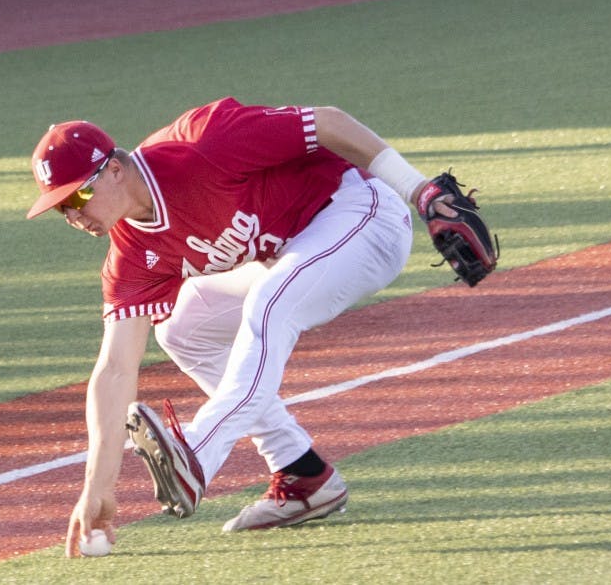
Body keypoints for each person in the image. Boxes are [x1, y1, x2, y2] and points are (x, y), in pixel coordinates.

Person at [27, 97, 458, 557]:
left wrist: (420, 191)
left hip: (362, 215)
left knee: (269, 302)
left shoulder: (203, 141)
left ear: (114, 169)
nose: (74, 214)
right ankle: (301, 472)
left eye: (79, 195)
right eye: (61, 207)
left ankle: (197, 454)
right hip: (293, 256)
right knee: (181, 329)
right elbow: (114, 368)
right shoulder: (131, 257)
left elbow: (330, 123)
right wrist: (97, 485)